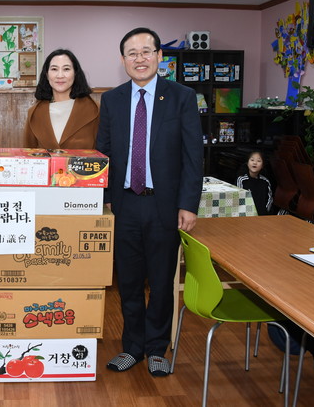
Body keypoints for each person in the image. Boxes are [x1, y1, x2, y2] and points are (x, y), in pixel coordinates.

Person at [96, 27, 203, 376]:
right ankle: (132, 347)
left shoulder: (182, 97)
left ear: (159, 56)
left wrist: (188, 204)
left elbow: (193, 156)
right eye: (132, 53)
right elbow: (103, 152)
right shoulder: (112, 100)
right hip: (125, 204)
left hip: (164, 206)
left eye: (146, 51)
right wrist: (106, 200)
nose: (139, 58)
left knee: (160, 281)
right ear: (123, 60)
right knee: (127, 282)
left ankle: (157, 348)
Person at [23, 49, 99, 149]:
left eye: (66, 69)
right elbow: (28, 153)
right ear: (47, 74)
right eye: (54, 69)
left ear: (75, 73)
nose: (60, 75)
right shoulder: (34, 113)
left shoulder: (94, 110)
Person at [236, 150, 273, 215]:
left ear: (262, 165)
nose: (255, 163)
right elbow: (238, 198)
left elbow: (269, 200)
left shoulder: (265, 182)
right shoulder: (242, 180)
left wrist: (263, 213)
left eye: (258, 161)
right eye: (252, 160)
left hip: (261, 216)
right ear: (247, 163)